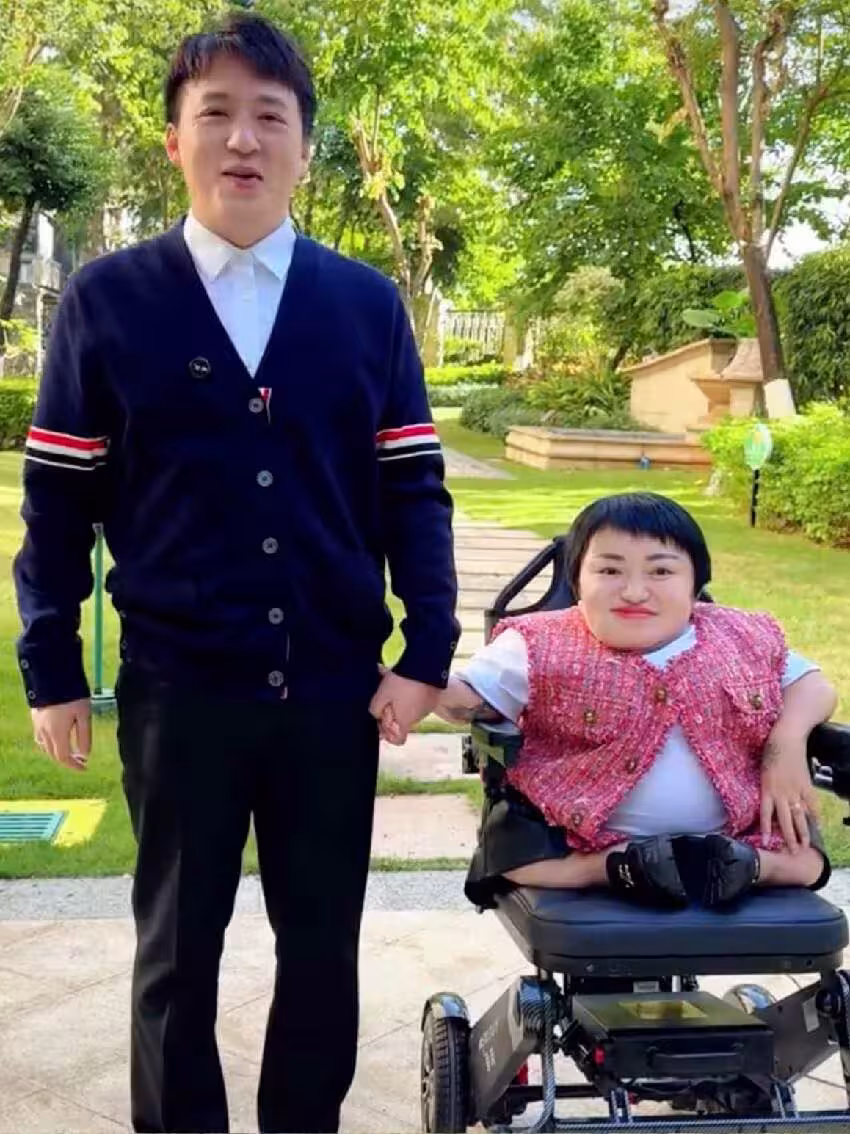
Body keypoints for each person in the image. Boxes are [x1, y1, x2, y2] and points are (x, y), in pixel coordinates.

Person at [13, 13, 459, 1134]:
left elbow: (413, 490)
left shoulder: (366, 306)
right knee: (176, 949)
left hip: (331, 690)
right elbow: (58, 499)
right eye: (216, 113)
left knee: (321, 945)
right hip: (179, 689)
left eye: (271, 116)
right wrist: (51, 666)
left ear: (306, 145)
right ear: (175, 139)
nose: (244, 139)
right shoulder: (107, 301)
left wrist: (428, 650)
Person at [435, 493, 836, 910]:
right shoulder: (537, 642)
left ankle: (750, 865)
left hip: (735, 832)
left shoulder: (742, 636)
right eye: (609, 570)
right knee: (510, 859)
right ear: (578, 580)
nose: (634, 591)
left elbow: (814, 686)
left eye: (661, 571)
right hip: (574, 836)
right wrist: (422, 677)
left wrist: (786, 743)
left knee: (807, 860)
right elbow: (465, 696)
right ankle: (608, 867)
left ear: (695, 584)